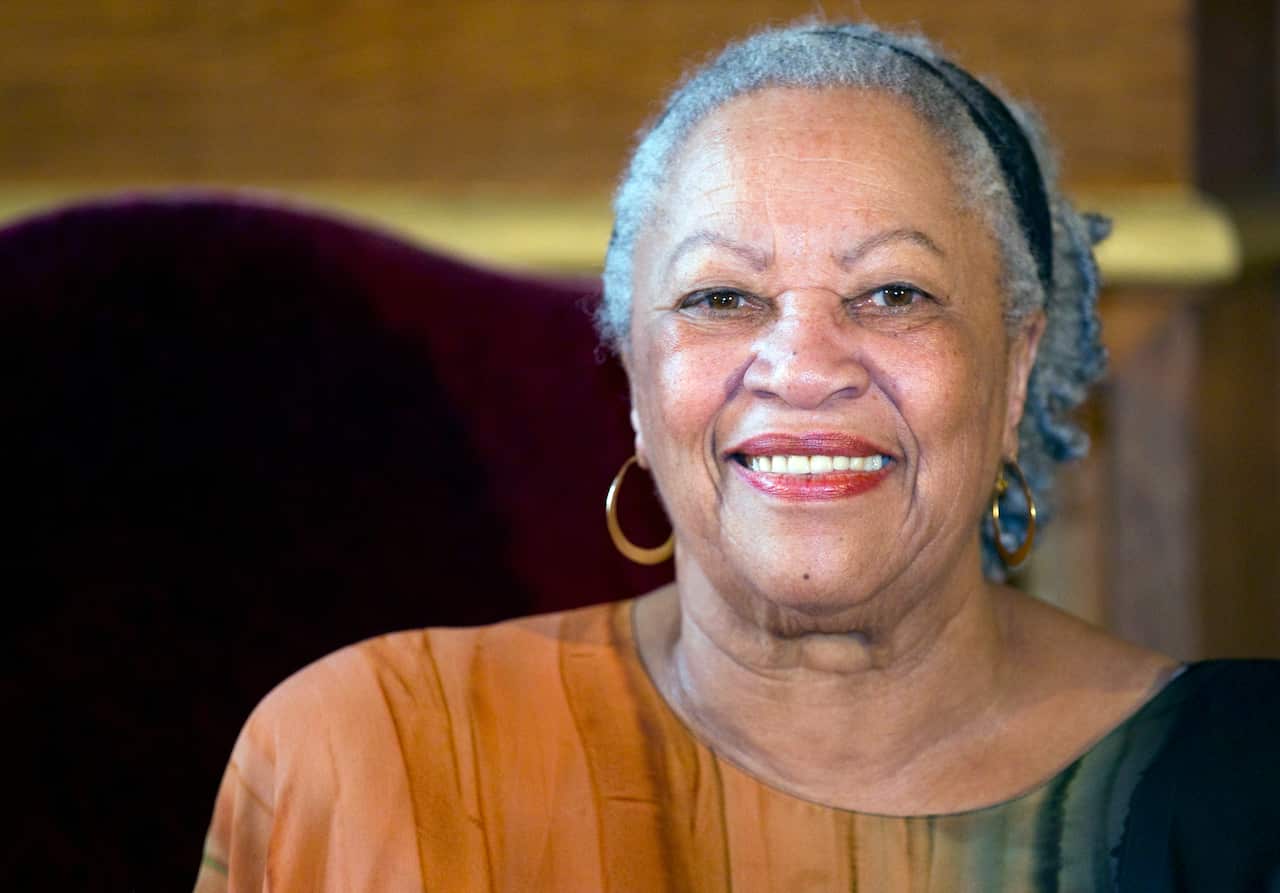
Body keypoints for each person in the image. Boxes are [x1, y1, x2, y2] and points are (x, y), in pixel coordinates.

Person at [194, 21, 1280, 892]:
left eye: (891, 293)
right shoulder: (372, 757)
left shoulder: (1246, 791)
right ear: (632, 379)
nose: (800, 366)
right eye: (721, 297)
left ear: (1011, 369)